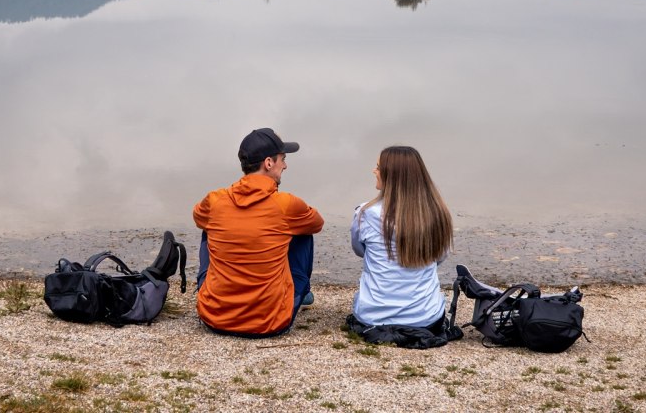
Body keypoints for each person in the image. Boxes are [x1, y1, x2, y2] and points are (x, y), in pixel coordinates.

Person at [193, 128, 324, 337]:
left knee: (208, 227)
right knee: (303, 231)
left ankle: (219, 294)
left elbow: (198, 217)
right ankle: (302, 293)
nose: (285, 165)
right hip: (270, 322)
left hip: (215, 317)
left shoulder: (215, 200)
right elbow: (317, 223)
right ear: (269, 163)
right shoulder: (286, 204)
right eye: (283, 159)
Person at [348, 145, 457, 347]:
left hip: (373, 317)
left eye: (378, 167)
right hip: (426, 317)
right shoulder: (438, 214)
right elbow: (439, 257)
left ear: (392, 175)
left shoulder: (365, 213)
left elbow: (359, 250)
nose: (374, 171)